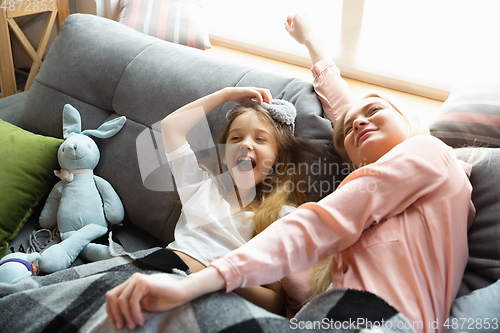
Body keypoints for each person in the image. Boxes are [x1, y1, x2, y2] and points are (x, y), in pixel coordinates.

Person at [105, 15, 475, 333]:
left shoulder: (426, 153)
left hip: (372, 317)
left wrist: (201, 280)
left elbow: (321, 223)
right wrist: (313, 45)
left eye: (375, 108)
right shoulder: (374, 179)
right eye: (348, 130)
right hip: (319, 315)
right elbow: (349, 116)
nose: (359, 121)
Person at [136, 87, 307, 318]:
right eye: (236, 138)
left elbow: (274, 302)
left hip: (221, 300)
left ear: (278, 160)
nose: (245, 144)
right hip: (160, 271)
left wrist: (218, 275)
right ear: (225, 155)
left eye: (260, 139)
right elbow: (171, 127)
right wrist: (226, 94)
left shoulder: (281, 217)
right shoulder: (200, 189)